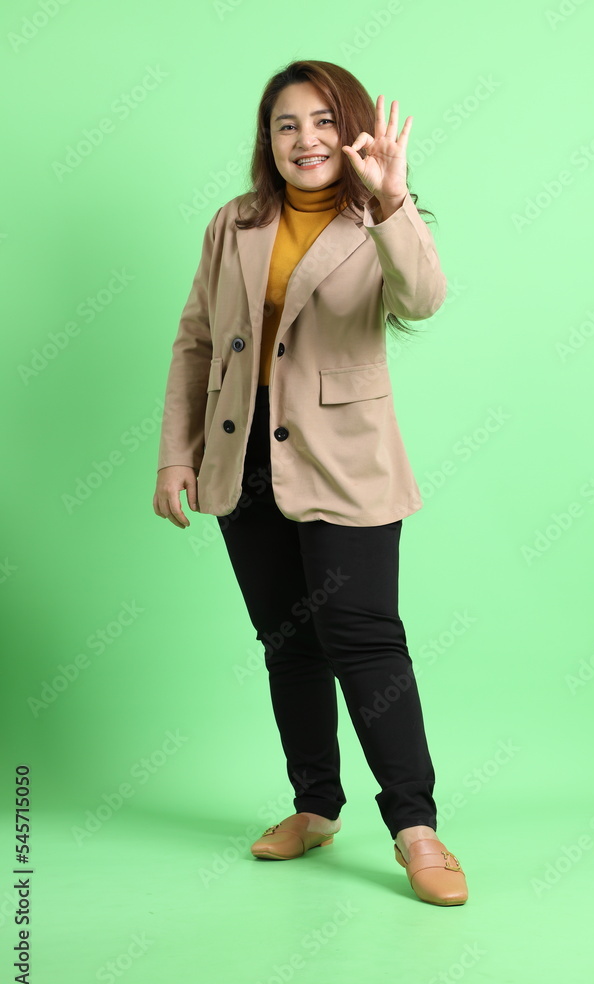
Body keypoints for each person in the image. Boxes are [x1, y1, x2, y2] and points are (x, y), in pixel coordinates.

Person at [153, 60, 468, 906]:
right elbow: (196, 339)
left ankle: (415, 827)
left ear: (352, 129)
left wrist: (391, 200)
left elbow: (423, 298)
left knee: (363, 639)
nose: (305, 139)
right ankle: (315, 807)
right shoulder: (235, 222)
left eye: (323, 121)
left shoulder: (378, 218)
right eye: (286, 124)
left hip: (344, 457)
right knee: (287, 642)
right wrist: (176, 454)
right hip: (241, 453)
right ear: (267, 139)